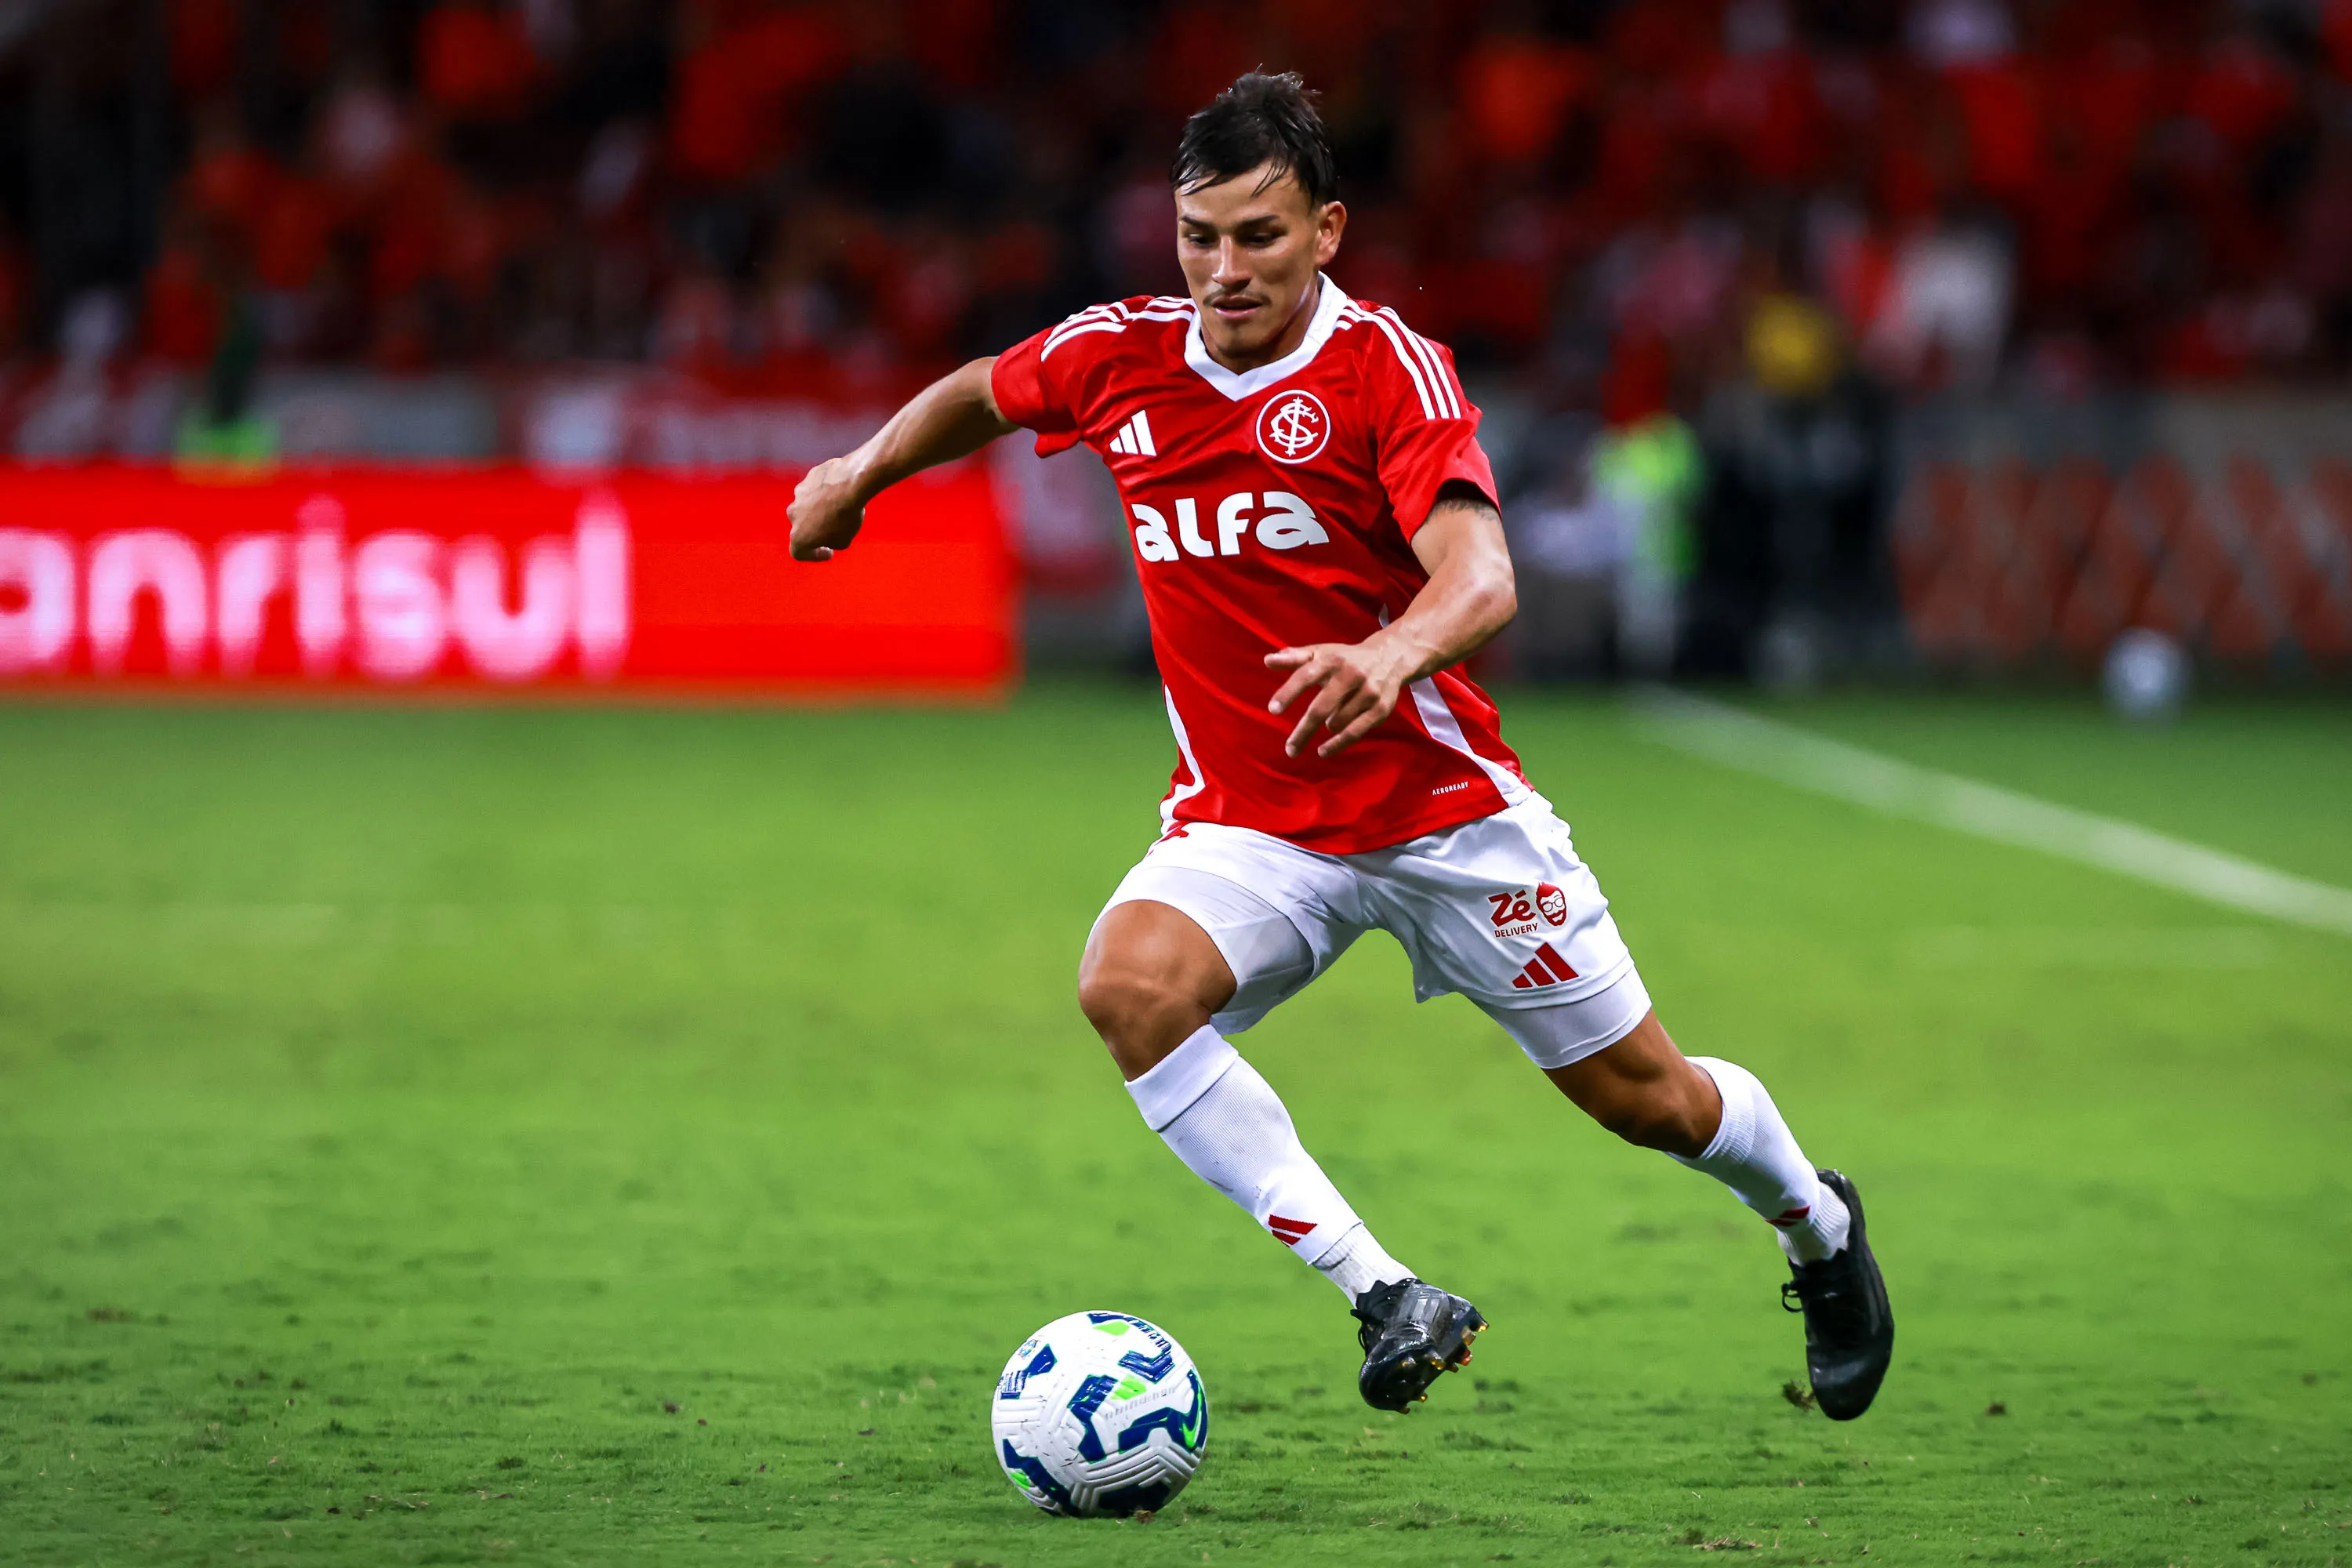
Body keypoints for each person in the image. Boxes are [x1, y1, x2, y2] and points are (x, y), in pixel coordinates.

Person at [787, 72, 1893, 1420]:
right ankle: (1384, 1292)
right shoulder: (1119, 354)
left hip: (1443, 818)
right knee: (1129, 987)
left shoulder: (1383, 369)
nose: (1224, 269)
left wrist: (1391, 653)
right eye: (1199, 236)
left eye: (1259, 236)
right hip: (1252, 822)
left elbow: (1482, 576)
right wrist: (857, 474)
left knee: (1650, 1102)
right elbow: (984, 389)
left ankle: (1817, 1226)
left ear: (1327, 231)